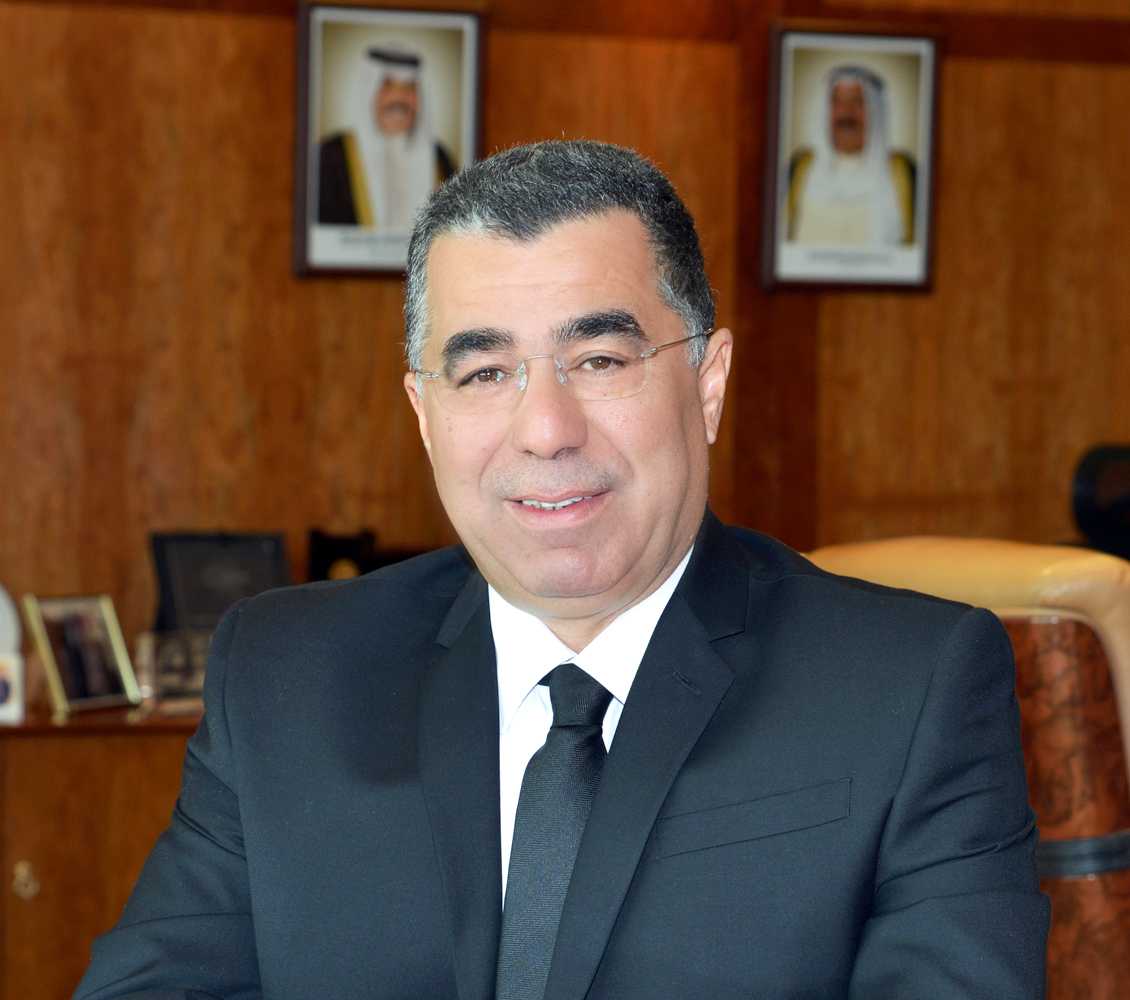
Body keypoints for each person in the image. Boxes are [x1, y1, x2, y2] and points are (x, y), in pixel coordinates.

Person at [75, 140, 1048, 999]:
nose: (545, 429)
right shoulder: (283, 675)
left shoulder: (908, 687)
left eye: (599, 360)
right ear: (424, 416)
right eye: (485, 373)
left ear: (707, 383)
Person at [317, 45, 455, 229]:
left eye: (409, 88)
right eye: (387, 85)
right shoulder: (331, 155)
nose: (399, 98)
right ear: (368, 92)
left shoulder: (439, 158)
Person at [786, 64, 916, 246]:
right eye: (837, 102)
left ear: (875, 110)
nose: (846, 112)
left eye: (858, 102)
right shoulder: (800, 168)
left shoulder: (902, 172)